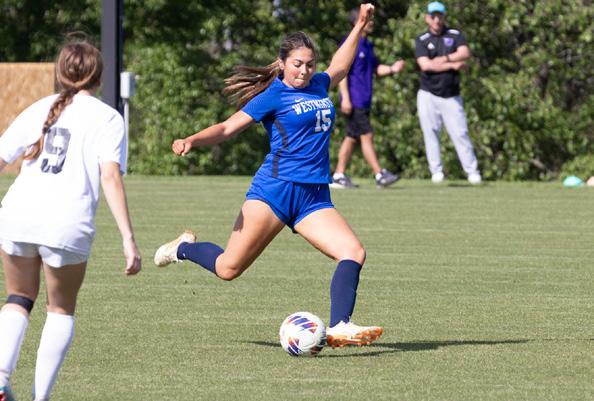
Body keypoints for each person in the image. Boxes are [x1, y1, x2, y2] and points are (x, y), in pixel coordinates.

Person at [154, 4, 383, 349]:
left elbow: (340, 65)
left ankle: (340, 325)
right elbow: (228, 127)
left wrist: (360, 26)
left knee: (353, 251)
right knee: (228, 269)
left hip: (313, 197)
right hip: (274, 191)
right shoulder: (273, 95)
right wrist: (192, 140)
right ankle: (182, 248)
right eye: (297, 64)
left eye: (309, 64)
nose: (304, 71)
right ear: (282, 63)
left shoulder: (319, 85)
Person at [0, 39, 141, 401]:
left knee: (18, 297)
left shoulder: (38, 108)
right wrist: (128, 238)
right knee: (60, 309)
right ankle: (40, 398)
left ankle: (0, 380)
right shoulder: (108, 118)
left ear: (60, 73)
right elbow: (110, 176)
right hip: (66, 223)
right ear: (99, 77)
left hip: (17, 216)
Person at [331, 7, 405, 189]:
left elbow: (376, 68)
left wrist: (393, 68)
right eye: (368, 19)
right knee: (367, 135)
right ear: (358, 22)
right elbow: (341, 71)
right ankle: (379, 174)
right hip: (354, 100)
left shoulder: (367, 44)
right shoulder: (350, 43)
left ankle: (339, 175)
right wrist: (345, 98)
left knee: (351, 137)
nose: (372, 22)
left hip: (364, 100)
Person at [415, 1, 482, 184]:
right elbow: (425, 65)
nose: (437, 20)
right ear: (428, 18)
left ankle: (472, 171)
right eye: (433, 16)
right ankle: (436, 172)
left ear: (444, 17)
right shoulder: (422, 39)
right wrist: (453, 65)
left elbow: (464, 52)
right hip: (428, 93)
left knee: (460, 133)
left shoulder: (455, 34)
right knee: (430, 133)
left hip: (451, 94)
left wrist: (443, 58)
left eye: (440, 16)